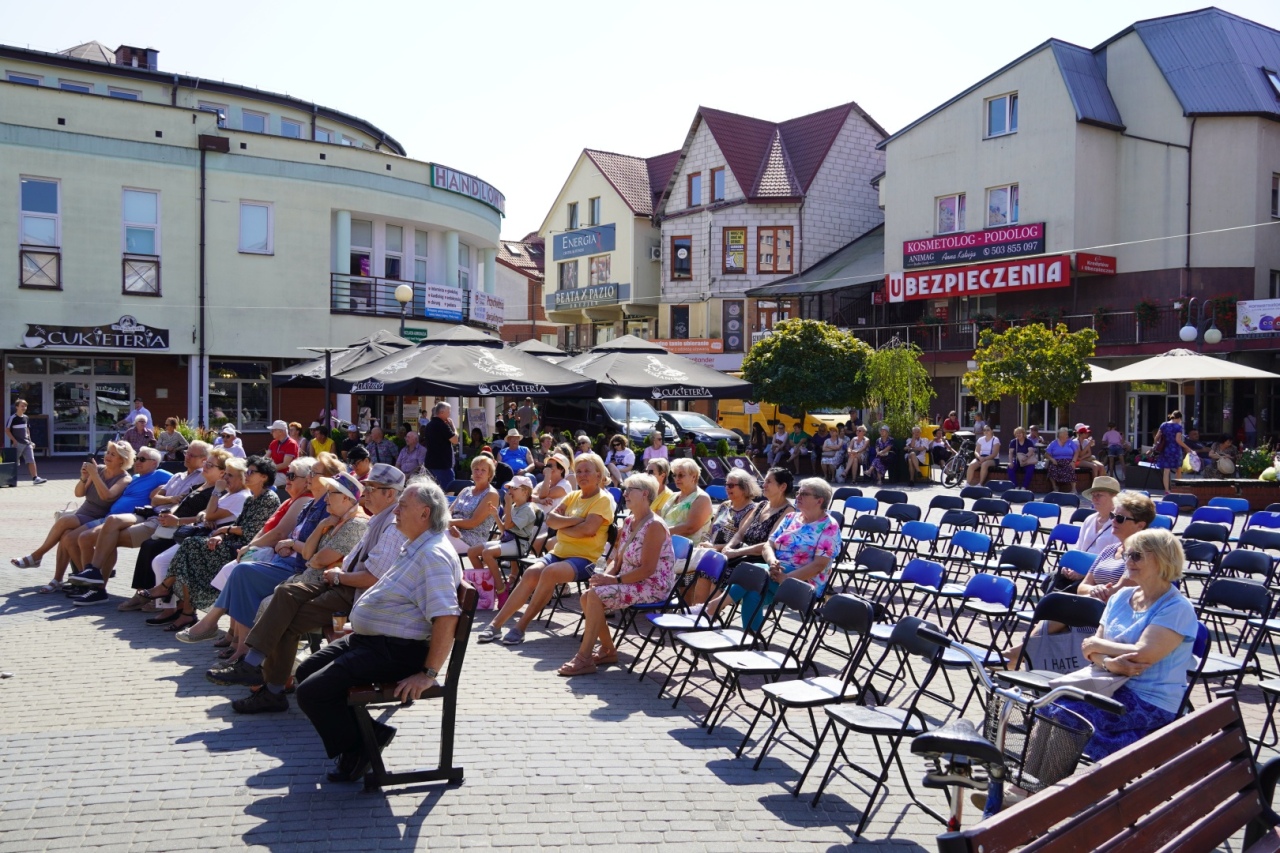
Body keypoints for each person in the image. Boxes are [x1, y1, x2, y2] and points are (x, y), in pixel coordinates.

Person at [293, 479, 462, 783]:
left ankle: (361, 747)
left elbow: (446, 617)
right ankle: (371, 735)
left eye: (403, 506)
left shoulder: (433, 555)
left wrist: (429, 674)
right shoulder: (416, 544)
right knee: (305, 674)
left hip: (396, 652)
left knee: (311, 693)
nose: (396, 510)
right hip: (372, 641)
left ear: (424, 513)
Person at [206, 465, 407, 712]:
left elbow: (369, 577)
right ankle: (256, 669)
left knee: (282, 614)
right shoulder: (375, 520)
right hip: (333, 582)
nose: (365, 493)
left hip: (354, 594)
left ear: (390, 494)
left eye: (372, 488)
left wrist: (337, 576)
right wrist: (323, 532)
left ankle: (266, 683)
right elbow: (315, 557)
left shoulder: (385, 524)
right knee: (283, 594)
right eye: (366, 487)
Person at [1050, 528, 1197, 759]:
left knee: (1066, 715)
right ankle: (1028, 787)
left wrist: (1100, 649)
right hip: (1110, 682)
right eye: (1127, 554)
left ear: (1162, 559)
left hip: (1150, 699)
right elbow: (1090, 648)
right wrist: (1111, 664)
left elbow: (1143, 654)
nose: (1129, 560)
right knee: (1050, 705)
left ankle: (1047, 788)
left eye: (1137, 555)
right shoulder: (1120, 597)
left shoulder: (1177, 607)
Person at [184, 469, 364, 647]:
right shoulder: (331, 519)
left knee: (244, 574)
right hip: (302, 576)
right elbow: (309, 554)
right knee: (242, 574)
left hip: (315, 583)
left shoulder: (353, 523)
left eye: (330, 493)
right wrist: (319, 528)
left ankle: (238, 646)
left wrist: (293, 545)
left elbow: (316, 559)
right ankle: (239, 647)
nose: (326, 498)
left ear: (346, 498)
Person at [478, 454, 615, 645]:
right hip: (560, 553)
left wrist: (564, 526)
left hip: (586, 559)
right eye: (579, 471)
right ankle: (496, 625)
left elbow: (589, 529)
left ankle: (520, 627)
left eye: (587, 471)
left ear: (599, 475)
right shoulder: (573, 495)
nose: (582, 475)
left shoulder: (603, 500)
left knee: (549, 573)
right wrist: (576, 521)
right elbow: (551, 520)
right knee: (532, 572)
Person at [557, 472, 677, 676]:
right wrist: (605, 577)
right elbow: (618, 560)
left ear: (645, 494)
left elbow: (648, 570)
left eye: (631, 490)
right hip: (631, 580)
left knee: (593, 596)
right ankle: (608, 650)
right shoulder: (630, 521)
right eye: (626, 489)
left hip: (652, 586)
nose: (626, 493)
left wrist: (614, 579)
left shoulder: (654, 526)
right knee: (588, 595)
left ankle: (584, 657)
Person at [144, 457, 280, 632]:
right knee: (188, 550)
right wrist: (222, 535)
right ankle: (182, 607)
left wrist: (224, 531)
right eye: (246, 471)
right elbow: (226, 522)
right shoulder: (251, 499)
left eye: (251, 472)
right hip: (232, 542)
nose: (247, 475)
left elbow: (251, 530)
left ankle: (171, 595)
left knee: (190, 549)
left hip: (248, 547)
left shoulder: (268, 498)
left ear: (264, 477)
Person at [68, 445, 210, 601]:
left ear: (204, 460)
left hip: (163, 522)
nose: (186, 456)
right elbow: (154, 499)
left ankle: (96, 585)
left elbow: (190, 499)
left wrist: (168, 501)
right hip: (143, 516)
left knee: (100, 536)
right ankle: (92, 576)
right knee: (107, 525)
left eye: (142, 459)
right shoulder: (177, 476)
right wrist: (168, 498)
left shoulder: (198, 477)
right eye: (186, 453)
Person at [718, 477, 839, 631]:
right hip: (773, 573)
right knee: (753, 593)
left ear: (819, 501)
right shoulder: (791, 518)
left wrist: (787, 578)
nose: (797, 496)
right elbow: (769, 544)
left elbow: (819, 565)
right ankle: (751, 639)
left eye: (804, 494)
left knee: (752, 571)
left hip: (803, 584)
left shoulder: (830, 527)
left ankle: (712, 608)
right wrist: (772, 562)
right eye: (798, 492)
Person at [12, 442, 132, 592]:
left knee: (65, 521)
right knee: (66, 534)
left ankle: (38, 556)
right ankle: (59, 579)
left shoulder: (124, 479)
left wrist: (94, 475)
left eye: (113, 454)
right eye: (108, 452)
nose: (107, 456)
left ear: (122, 460)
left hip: (99, 518)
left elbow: (106, 496)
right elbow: (79, 493)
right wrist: (84, 477)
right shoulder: (100, 470)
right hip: (83, 514)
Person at [1052, 477, 1126, 591]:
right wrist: (1069, 565)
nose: (1094, 499)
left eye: (1099, 495)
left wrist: (1086, 574)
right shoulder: (1089, 519)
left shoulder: (1119, 524)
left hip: (1099, 578)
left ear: (1114, 498)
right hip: (1077, 571)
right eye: (1093, 495)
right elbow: (1078, 547)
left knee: (1064, 594)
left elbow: (1115, 561)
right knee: (1053, 581)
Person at [472, 474, 539, 597]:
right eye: (509, 488)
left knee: (487, 553)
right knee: (472, 551)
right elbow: (504, 531)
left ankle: (501, 590)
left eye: (514, 488)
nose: (509, 491)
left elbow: (508, 526)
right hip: (508, 541)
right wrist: (496, 515)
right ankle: (487, 585)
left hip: (519, 545)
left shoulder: (527, 509)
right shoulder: (514, 507)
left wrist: (507, 505)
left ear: (525, 492)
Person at [447, 456, 500, 555]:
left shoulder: (491, 494)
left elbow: (473, 522)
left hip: (472, 539)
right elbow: (449, 511)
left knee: (431, 541)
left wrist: (449, 523)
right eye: (476, 469)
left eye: (483, 470)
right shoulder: (466, 490)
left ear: (489, 474)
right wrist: (451, 526)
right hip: (451, 530)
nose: (478, 473)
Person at [662, 458, 713, 546]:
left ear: (693, 476)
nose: (677, 478)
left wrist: (659, 533)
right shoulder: (673, 496)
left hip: (685, 549)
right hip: (665, 542)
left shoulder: (701, 498)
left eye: (681, 475)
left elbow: (689, 528)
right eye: (675, 475)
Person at [6, 398, 46, 484]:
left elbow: (27, 430)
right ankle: (9, 479)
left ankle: (35, 478)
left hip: (27, 443)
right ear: (17, 407)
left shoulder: (26, 418)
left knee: (31, 460)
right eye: (22, 406)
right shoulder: (12, 418)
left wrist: (30, 441)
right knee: (14, 462)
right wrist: (14, 441)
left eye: (25, 406)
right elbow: (7, 430)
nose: (24, 408)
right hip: (17, 444)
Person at [421, 401, 459, 489]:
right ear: (442, 412)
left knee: (432, 491)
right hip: (442, 465)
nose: (449, 414)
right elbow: (455, 440)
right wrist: (453, 426)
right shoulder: (442, 425)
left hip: (430, 463)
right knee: (449, 490)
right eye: (448, 411)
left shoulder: (429, 425)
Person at [1154, 410, 1192, 492]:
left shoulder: (1163, 425)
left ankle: (1167, 490)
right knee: (1178, 469)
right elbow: (1178, 440)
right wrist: (1187, 447)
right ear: (1179, 418)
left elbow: (1156, 437)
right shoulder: (1178, 427)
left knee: (1166, 470)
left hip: (1165, 449)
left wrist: (1157, 445)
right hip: (1175, 450)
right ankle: (1177, 489)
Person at [1045, 426, 1081, 494]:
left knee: (1070, 468)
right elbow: (1046, 454)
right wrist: (1052, 459)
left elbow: (1076, 452)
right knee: (1052, 468)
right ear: (1061, 435)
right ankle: (1055, 488)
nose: (1067, 435)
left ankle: (1074, 489)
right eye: (1066, 434)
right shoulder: (1053, 443)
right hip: (1056, 461)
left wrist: (1073, 461)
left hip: (1068, 460)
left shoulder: (1070, 442)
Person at [266, 420, 299, 487]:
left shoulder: (291, 444)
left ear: (280, 432)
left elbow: (285, 465)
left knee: (263, 483)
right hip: (275, 472)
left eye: (273, 430)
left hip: (287, 475)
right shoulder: (273, 442)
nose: (271, 433)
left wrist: (268, 469)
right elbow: (265, 458)